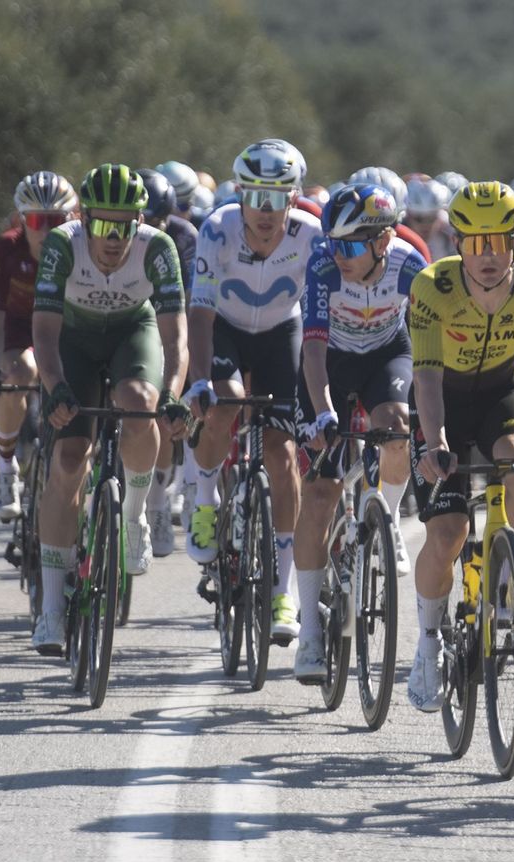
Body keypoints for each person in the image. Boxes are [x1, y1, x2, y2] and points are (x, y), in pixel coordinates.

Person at [404, 181, 514, 711]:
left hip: (500, 393)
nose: (487, 255)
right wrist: (435, 442)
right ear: (457, 243)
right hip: (440, 400)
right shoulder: (433, 286)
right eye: (474, 243)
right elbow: (425, 375)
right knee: (447, 532)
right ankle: (427, 644)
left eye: (498, 241)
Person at [29, 165, 188, 654]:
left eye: (124, 226)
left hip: (129, 335)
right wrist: (54, 387)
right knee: (69, 461)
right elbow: (45, 334)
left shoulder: (157, 248)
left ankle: (135, 517)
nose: (113, 238)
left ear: (139, 222)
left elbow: (175, 335)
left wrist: (174, 394)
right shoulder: (61, 243)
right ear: (84, 218)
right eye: (102, 225)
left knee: (141, 405)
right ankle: (52, 610)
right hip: (73, 341)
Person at [180, 140, 320, 649]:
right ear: (240, 196)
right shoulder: (217, 229)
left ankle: (284, 590)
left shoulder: (312, 235)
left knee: (284, 460)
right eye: (256, 198)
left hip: (282, 333)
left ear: (294, 199)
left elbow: (323, 312)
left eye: (278, 198)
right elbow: (199, 311)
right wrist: (199, 379)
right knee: (228, 404)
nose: (265, 211)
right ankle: (203, 497)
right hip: (226, 330)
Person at [291, 183, 426, 680]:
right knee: (322, 492)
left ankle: (386, 521)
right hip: (331, 362)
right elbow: (313, 350)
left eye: (350, 245)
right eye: (333, 242)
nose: (339, 254)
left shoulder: (410, 265)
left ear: (383, 241)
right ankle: (308, 633)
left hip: (387, 353)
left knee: (397, 430)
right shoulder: (325, 265)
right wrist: (324, 413)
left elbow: (432, 343)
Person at [0, 172, 78, 523]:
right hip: (21, 330)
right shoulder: (7, 248)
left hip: (68, 329)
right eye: (38, 220)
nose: (47, 230)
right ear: (23, 221)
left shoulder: (83, 246)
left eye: (57, 221)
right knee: (18, 375)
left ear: (74, 219)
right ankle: (6, 467)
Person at [140, 167, 200, 550]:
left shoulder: (184, 237)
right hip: (124, 322)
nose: (151, 228)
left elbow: (189, 304)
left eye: (159, 220)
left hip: (167, 320)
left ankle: (158, 504)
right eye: (144, 220)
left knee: (162, 411)